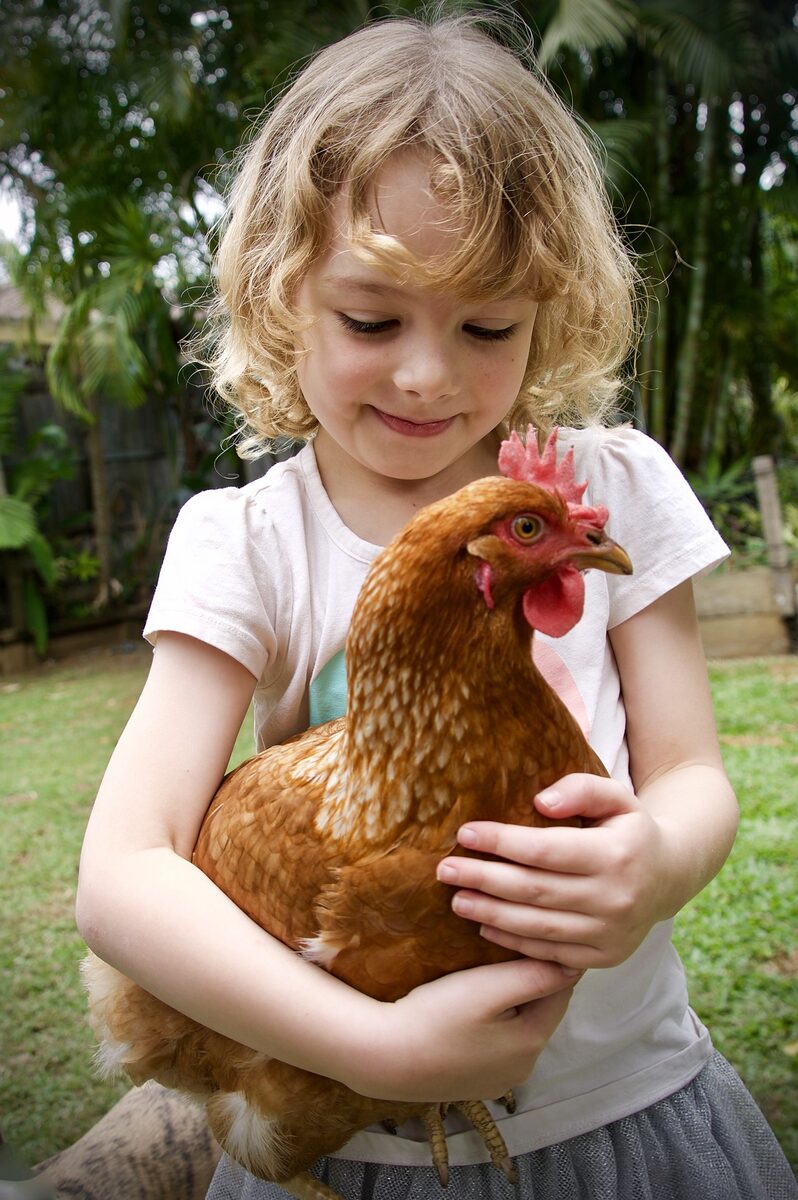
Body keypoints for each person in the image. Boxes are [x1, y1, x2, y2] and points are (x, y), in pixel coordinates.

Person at [76, 11, 797, 1200]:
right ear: (279, 295)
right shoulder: (248, 540)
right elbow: (122, 874)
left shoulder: (608, 487)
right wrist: (376, 1050)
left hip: (623, 1108)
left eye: (487, 326)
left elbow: (695, 777)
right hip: (350, 1144)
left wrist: (655, 861)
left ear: (547, 314)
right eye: (372, 320)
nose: (429, 372)